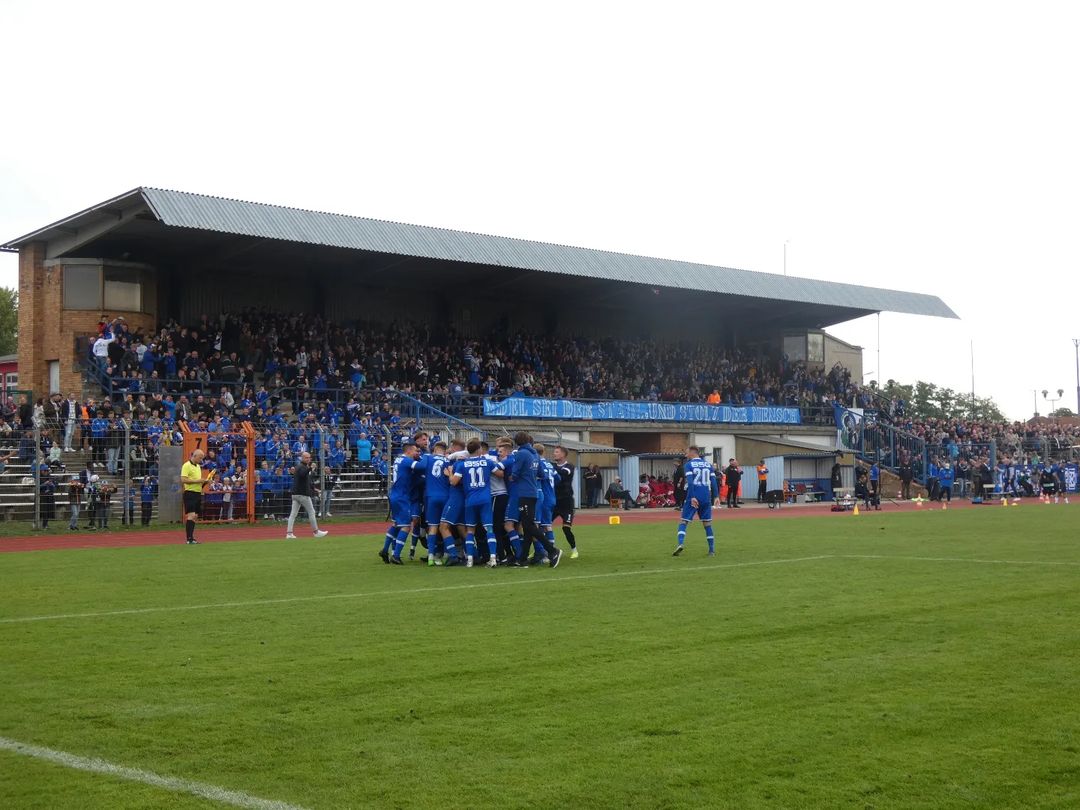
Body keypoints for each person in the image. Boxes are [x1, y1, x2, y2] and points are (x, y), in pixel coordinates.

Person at [505, 432, 561, 568]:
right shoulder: (535, 454)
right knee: (528, 526)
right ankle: (523, 558)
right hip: (534, 492)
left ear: (517, 442)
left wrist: (511, 477)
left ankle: (552, 550)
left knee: (529, 526)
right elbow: (541, 474)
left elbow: (515, 474)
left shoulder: (521, 454)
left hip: (524, 492)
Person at [448, 438, 500, 567]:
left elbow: (453, 482)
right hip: (485, 499)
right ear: (479, 450)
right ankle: (493, 558)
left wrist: (449, 473)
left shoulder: (462, 464)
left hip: (470, 500)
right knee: (489, 528)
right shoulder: (487, 462)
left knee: (470, 530)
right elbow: (500, 474)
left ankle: (470, 560)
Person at [380, 441, 423, 564]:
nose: (416, 453)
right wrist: (427, 459)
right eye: (415, 451)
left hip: (395, 494)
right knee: (406, 526)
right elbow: (421, 467)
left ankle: (384, 550)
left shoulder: (398, 459)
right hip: (402, 497)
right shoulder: (406, 460)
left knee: (396, 525)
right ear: (408, 451)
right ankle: (396, 555)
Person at [673, 446, 719, 556]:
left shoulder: (688, 465)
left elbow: (690, 481)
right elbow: (713, 482)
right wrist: (716, 496)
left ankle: (680, 544)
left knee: (684, 521)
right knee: (707, 523)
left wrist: (692, 496)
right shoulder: (708, 465)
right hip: (706, 496)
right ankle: (711, 550)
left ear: (692, 453)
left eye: (686, 452)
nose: (685, 455)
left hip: (693, 495)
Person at [285, 451, 328, 539]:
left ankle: (289, 533)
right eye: (306, 458)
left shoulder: (300, 467)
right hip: (302, 494)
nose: (308, 459)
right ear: (302, 458)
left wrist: (314, 488)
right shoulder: (302, 467)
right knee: (311, 512)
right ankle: (316, 532)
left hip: (296, 494)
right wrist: (310, 469)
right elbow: (302, 474)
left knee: (293, 514)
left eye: (309, 458)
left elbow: (306, 480)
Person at [552, 445, 578, 558]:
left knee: (566, 528)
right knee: (544, 526)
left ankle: (574, 550)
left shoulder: (569, 466)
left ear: (563, 454)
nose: (554, 454)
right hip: (554, 502)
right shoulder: (552, 466)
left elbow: (563, 473)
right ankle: (544, 550)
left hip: (567, 503)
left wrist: (550, 469)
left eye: (557, 452)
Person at [180, 448, 207, 544]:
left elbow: (198, 482)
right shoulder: (186, 466)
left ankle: (191, 537)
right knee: (191, 515)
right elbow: (183, 480)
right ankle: (189, 539)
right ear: (194, 456)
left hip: (197, 493)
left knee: (195, 516)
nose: (201, 460)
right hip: (190, 493)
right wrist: (198, 481)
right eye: (200, 458)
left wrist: (204, 482)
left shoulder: (198, 467)